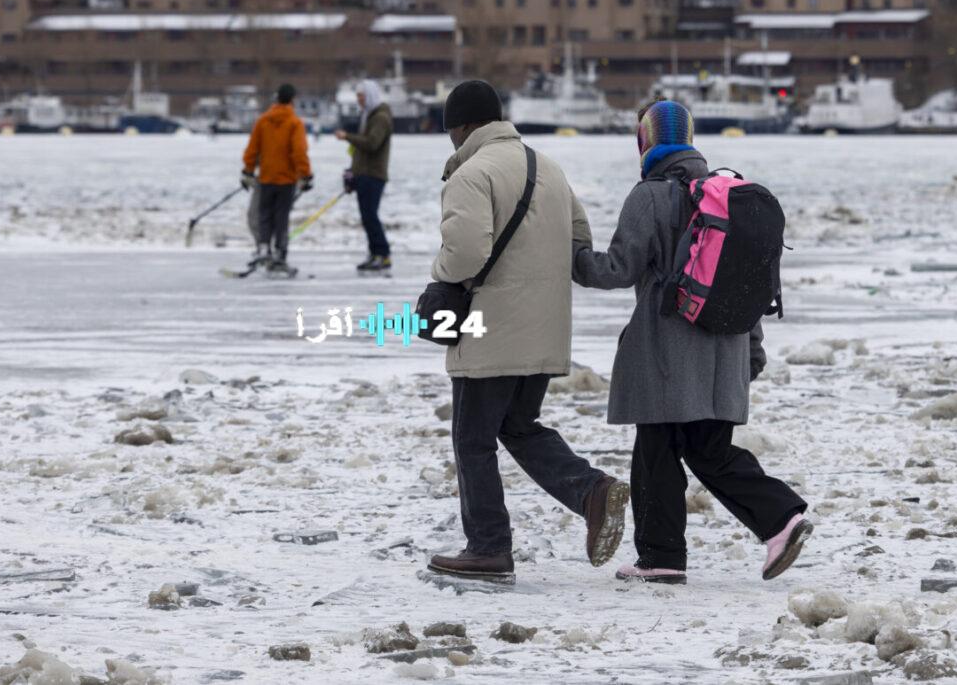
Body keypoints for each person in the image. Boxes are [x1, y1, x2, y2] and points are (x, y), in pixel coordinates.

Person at [573, 100, 812, 586]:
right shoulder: (728, 196)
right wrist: (753, 348)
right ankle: (768, 524)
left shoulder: (650, 195)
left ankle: (672, 553)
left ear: (646, 142)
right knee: (704, 448)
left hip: (667, 349)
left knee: (658, 450)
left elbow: (617, 269)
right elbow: (749, 282)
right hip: (726, 347)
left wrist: (571, 253)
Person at [426, 79, 628, 582]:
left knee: (473, 439)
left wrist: (439, 275)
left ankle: (488, 548)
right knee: (518, 425)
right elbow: (579, 240)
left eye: (450, 130)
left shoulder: (471, 174)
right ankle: (591, 491)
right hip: (546, 327)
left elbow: (465, 254)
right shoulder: (548, 167)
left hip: (491, 329)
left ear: (462, 127)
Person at [240, 83, 312, 275]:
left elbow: (252, 149)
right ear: (292, 100)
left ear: (276, 98)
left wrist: (248, 171)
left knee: (264, 215)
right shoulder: (294, 123)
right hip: (286, 179)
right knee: (281, 217)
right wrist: (306, 175)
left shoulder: (263, 121)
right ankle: (280, 253)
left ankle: (264, 248)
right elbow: (299, 152)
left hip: (266, 177)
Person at [335, 79, 393, 272]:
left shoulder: (380, 118)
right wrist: (352, 171)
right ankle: (374, 253)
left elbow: (371, 144)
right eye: (358, 96)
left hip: (373, 174)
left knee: (370, 216)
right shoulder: (368, 116)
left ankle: (383, 255)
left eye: (361, 96)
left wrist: (347, 137)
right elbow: (360, 150)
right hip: (363, 173)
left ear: (370, 96)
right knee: (367, 217)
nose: (359, 100)